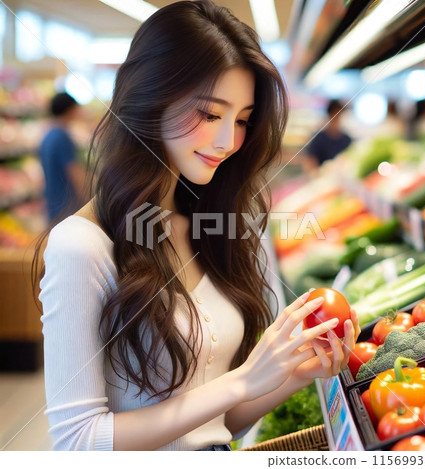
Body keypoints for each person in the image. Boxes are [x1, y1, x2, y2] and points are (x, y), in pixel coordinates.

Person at [35, 0, 359, 451]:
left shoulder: (207, 226)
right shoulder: (81, 246)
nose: (228, 141)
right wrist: (244, 380)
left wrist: (289, 375)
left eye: (242, 120)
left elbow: (216, 427)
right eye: (210, 114)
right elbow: (76, 442)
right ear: (151, 96)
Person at [38, 92, 89, 222]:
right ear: (69, 110)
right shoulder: (62, 137)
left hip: (52, 203)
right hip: (66, 206)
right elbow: (74, 172)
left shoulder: (47, 135)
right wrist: (89, 204)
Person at [301, 99, 352, 173]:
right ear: (330, 114)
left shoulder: (347, 139)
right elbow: (310, 162)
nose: (338, 118)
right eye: (336, 114)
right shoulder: (319, 138)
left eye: (341, 114)